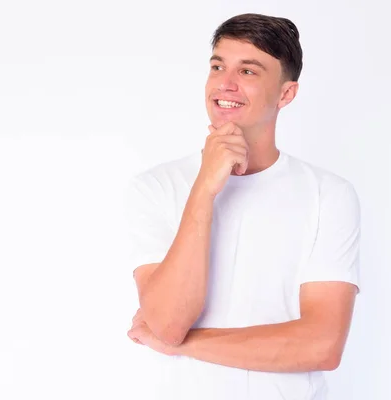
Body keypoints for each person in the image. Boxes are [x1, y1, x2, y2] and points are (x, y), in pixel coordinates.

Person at [124, 13, 361, 400]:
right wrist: (204, 187)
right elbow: (167, 322)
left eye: (249, 71)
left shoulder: (328, 195)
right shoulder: (154, 188)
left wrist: (183, 345)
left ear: (286, 94)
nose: (225, 83)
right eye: (218, 66)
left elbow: (321, 346)